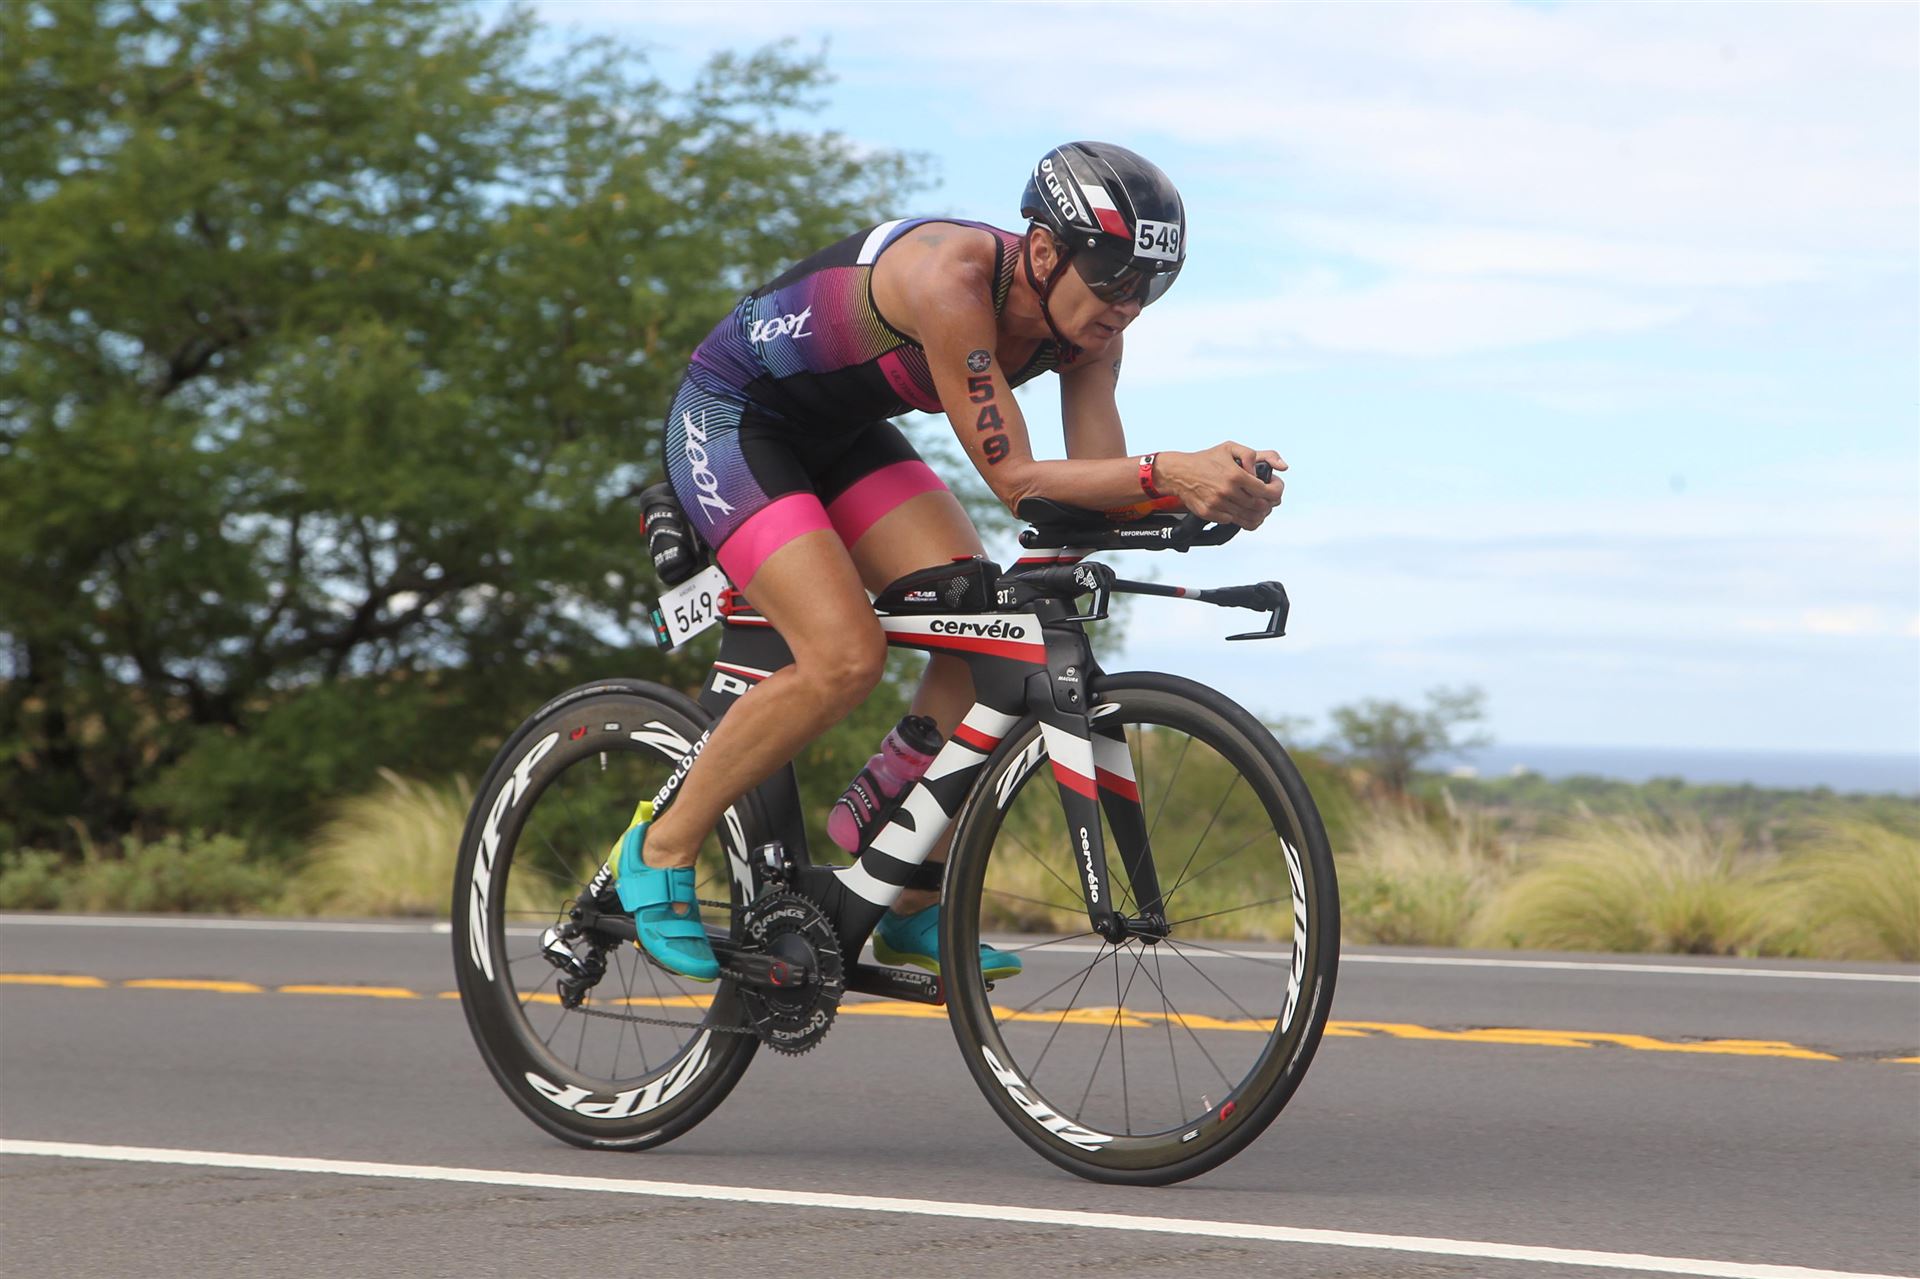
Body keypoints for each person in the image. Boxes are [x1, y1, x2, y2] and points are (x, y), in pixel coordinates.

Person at [611, 141, 1287, 981]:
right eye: (1114, 278)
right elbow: (1019, 481)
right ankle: (660, 846)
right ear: (1045, 250)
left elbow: (1090, 495)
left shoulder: (1090, 333)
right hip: (732, 419)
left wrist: (1200, 497)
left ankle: (904, 888)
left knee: (983, 627)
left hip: (841, 437)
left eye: (1150, 286)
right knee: (843, 656)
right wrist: (1168, 472)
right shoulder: (950, 280)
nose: (1128, 306)